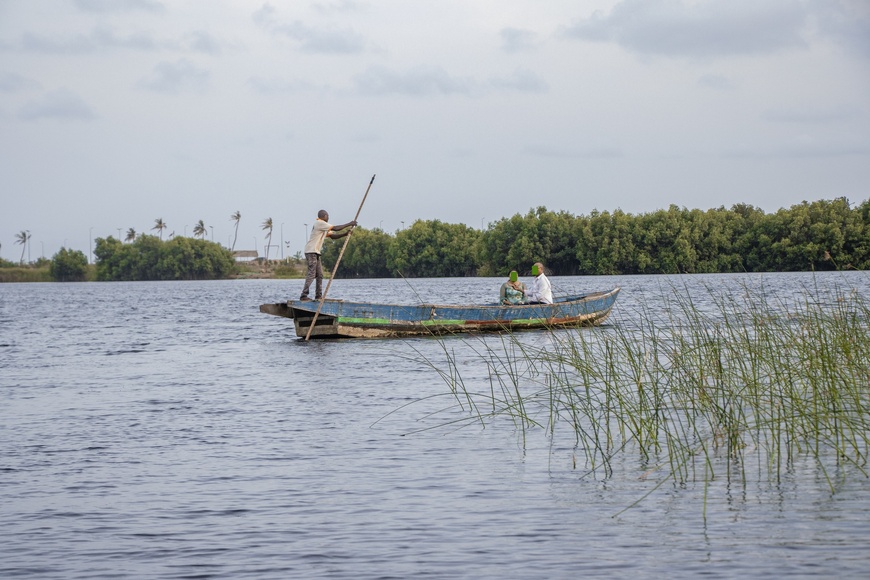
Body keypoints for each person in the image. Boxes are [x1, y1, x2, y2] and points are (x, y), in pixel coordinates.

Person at [300, 210, 357, 301]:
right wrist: (350, 223)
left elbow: (332, 236)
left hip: (315, 252)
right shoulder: (320, 223)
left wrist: (345, 234)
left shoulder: (323, 227)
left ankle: (318, 296)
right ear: (325, 216)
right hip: (311, 251)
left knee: (320, 275)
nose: (328, 218)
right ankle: (304, 295)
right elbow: (336, 228)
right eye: (328, 216)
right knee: (312, 274)